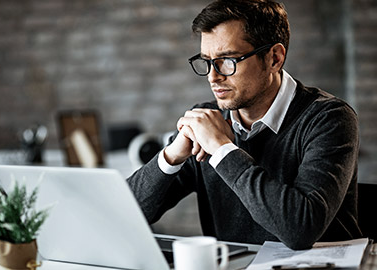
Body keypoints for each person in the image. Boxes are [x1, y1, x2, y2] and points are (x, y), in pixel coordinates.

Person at [127, 0, 361, 250]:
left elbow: (299, 229)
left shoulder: (329, 118)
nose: (213, 76)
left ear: (274, 58)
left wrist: (222, 150)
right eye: (207, 61)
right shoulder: (206, 120)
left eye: (228, 60)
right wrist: (171, 155)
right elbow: (126, 213)